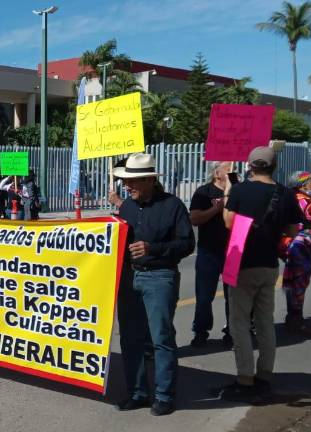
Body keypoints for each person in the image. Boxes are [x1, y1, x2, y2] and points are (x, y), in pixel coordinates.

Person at [112, 153, 195, 416]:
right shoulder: (126, 206)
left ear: (149, 179)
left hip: (159, 276)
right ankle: (137, 392)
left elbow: (187, 244)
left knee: (161, 338)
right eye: (126, 181)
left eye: (133, 181)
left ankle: (164, 395)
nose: (127, 185)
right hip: (129, 278)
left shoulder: (173, 206)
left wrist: (153, 248)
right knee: (130, 338)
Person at [221, 146, 302, 400]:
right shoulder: (285, 194)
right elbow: (292, 230)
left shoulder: (240, 189)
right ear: (274, 166)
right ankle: (264, 375)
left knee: (240, 323)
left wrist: (227, 195)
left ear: (250, 166)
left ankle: (244, 378)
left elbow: (228, 222)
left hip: (242, 262)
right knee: (265, 322)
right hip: (269, 265)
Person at [189, 161, 234, 348]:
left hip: (234, 251)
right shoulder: (204, 192)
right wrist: (215, 209)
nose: (233, 169)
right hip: (209, 251)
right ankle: (201, 331)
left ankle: (232, 331)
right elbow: (194, 219)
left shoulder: (238, 191)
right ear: (216, 173)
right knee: (204, 295)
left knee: (233, 295)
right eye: (228, 167)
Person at [281, 171, 311, 335]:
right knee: (299, 281)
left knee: (295, 280)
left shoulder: (300, 199)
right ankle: (295, 320)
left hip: (299, 246)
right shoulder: (302, 200)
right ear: (302, 184)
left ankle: (294, 319)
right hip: (303, 247)